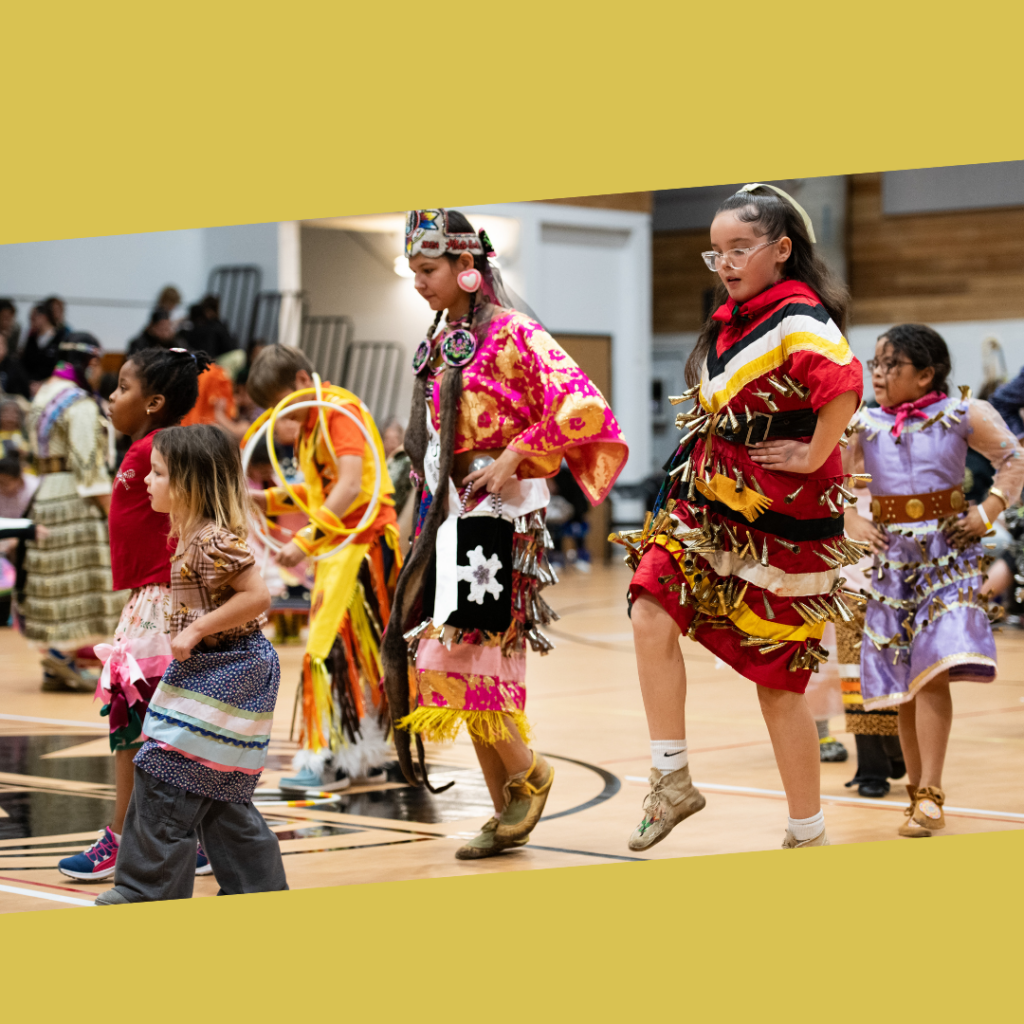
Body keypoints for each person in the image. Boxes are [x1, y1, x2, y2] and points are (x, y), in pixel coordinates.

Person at [620, 184, 864, 852]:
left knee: (777, 684)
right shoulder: (736, 318)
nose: (725, 263)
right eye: (716, 252)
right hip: (711, 502)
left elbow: (843, 381)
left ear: (781, 250)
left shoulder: (797, 313)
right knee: (649, 602)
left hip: (784, 516)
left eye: (739, 249)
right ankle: (671, 779)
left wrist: (814, 451)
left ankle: (806, 831)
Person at [380, 209, 628, 859]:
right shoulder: (439, 342)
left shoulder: (515, 334)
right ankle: (503, 810)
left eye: (427, 270)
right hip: (452, 514)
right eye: (412, 271)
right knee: (473, 662)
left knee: (460, 656)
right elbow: (434, 436)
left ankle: (532, 776)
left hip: (500, 515)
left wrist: (515, 456)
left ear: (467, 269)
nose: (418, 283)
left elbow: (582, 404)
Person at [844, 324, 1024, 837]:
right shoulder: (864, 425)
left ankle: (931, 791)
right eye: (874, 363)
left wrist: (987, 511)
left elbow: (1013, 460)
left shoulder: (963, 413)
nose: (878, 373)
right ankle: (916, 791)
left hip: (948, 557)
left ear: (927, 375)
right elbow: (826, 479)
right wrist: (850, 518)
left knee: (933, 670)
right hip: (891, 562)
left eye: (890, 365)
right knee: (903, 682)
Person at [95, 424, 287, 905]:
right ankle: (257, 890)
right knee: (219, 785)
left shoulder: (208, 541)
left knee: (167, 773)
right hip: (222, 671)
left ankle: (145, 893)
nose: (146, 482)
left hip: (228, 670)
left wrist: (199, 629)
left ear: (188, 483)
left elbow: (257, 596)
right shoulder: (190, 536)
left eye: (157, 473)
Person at [56, 346, 214, 881]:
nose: (111, 396)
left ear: (154, 402)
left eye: (122, 388)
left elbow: (205, 510)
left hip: (163, 601)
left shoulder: (161, 449)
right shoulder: (147, 447)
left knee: (136, 722)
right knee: (149, 723)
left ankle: (127, 839)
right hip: (146, 602)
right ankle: (184, 839)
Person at [247, 345, 403, 790]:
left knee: (331, 652)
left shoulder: (338, 412)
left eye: (282, 403)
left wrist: (307, 538)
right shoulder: (311, 423)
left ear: (301, 381)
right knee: (344, 653)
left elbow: (352, 486)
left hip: (364, 547)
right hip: (341, 548)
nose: (279, 416)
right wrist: (267, 499)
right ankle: (358, 753)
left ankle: (334, 758)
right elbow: (317, 492)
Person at [20, 334, 127, 690]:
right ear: (90, 364)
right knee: (86, 579)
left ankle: (58, 659)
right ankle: (64, 656)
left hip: (45, 493)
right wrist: (114, 515)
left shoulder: (42, 395)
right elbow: (89, 468)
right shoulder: (78, 404)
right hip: (74, 498)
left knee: (55, 580)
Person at [19, 302, 68, 386]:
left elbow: (61, 365)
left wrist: (45, 383)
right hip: (30, 385)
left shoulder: (60, 338)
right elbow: (24, 364)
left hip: (51, 384)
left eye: (33, 318)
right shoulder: (31, 339)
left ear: (43, 317)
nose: (31, 322)